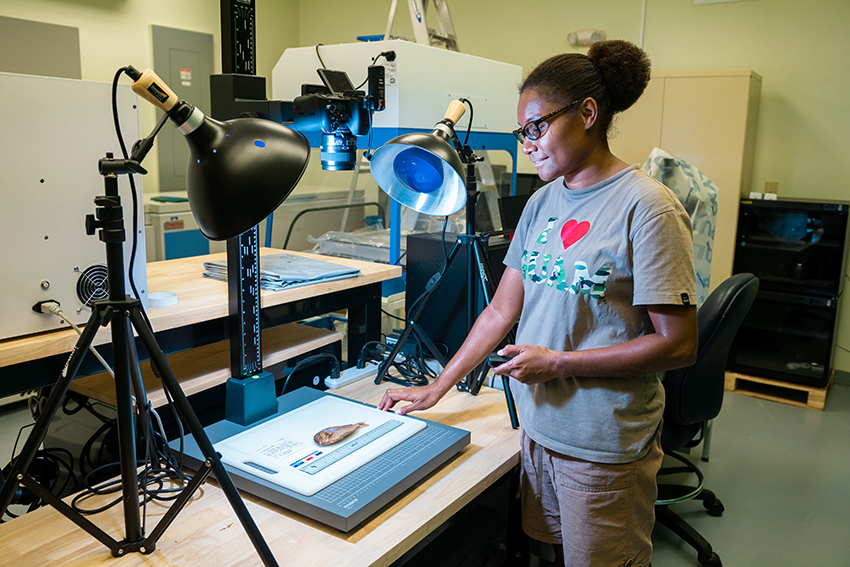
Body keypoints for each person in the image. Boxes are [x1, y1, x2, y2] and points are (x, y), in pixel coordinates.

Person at [379, 39, 698, 567]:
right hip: (540, 432)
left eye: (536, 127)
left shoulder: (647, 208)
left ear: (587, 114)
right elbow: (500, 311)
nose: (526, 143)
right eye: (520, 131)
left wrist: (558, 363)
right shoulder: (543, 203)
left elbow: (678, 344)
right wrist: (437, 387)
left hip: (602, 446)